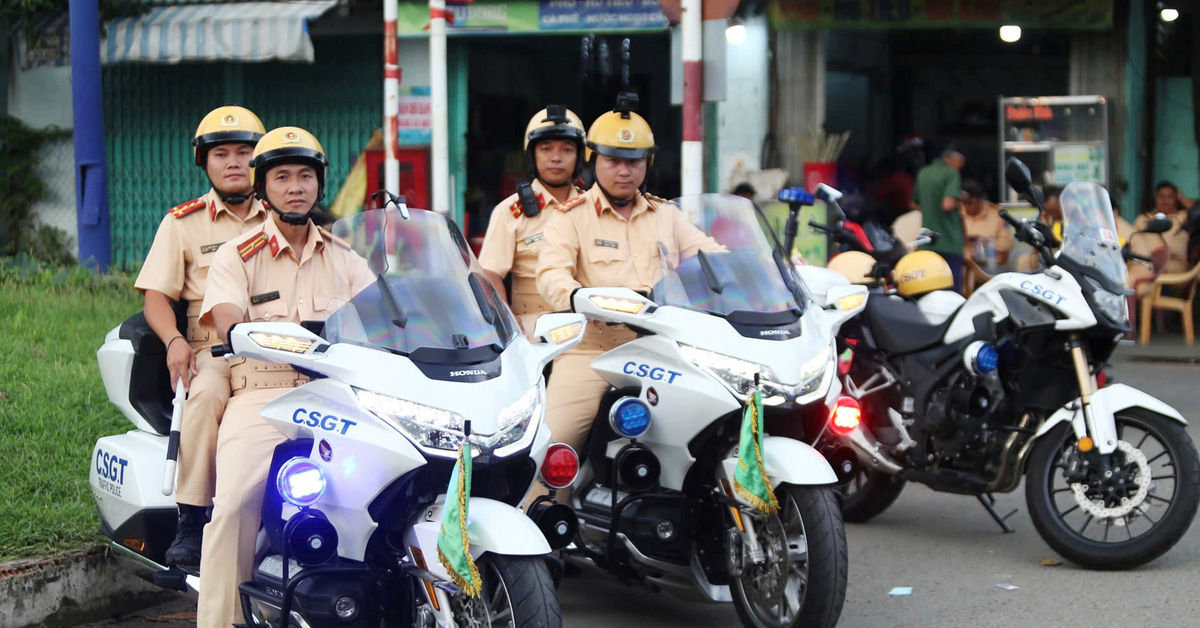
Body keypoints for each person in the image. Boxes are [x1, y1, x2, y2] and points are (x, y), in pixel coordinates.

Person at [195, 127, 374, 628]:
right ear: (262, 187)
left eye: (305, 176)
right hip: (264, 395)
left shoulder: (346, 257)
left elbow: (385, 317)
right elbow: (228, 316)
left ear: (319, 185)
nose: (295, 186)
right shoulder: (237, 255)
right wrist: (242, 329)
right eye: (281, 177)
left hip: (339, 395)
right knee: (232, 505)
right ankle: (220, 620)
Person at [533, 94, 721, 494]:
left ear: (647, 164)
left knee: (714, 429)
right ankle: (541, 534)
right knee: (552, 448)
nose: (624, 170)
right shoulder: (570, 217)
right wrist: (576, 297)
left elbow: (710, 257)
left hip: (665, 351)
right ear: (594, 161)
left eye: (633, 160)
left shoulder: (667, 214)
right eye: (613, 160)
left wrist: (748, 271)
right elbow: (550, 274)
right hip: (593, 353)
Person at [133, 105, 268, 567]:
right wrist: (173, 341)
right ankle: (192, 516)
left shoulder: (285, 217)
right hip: (209, 348)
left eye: (245, 153)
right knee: (205, 395)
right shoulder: (183, 224)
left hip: (279, 348)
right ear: (204, 163)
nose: (234, 162)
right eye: (221, 154)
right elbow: (156, 297)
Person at [479, 106, 586, 335]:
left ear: (579, 157)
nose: (556, 158)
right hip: (533, 332)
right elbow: (489, 275)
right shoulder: (509, 212)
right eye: (546, 149)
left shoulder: (593, 209)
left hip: (589, 328)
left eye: (567, 150)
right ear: (532, 155)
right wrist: (506, 319)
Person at [915, 147, 965, 292]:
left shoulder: (923, 173)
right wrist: (959, 200)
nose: (960, 167)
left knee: (930, 288)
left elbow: (914, 203)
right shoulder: (951, 173)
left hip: (927, 241)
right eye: (960, 163)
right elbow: (947, 204)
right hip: (949, 241)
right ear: (951, 159)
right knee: (952, 292)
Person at [960, 179, 1013, 269]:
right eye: (964, 203)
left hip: (987, 265)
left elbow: (1007, 244)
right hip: (961, 263)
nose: (966, 207)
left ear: (980, 200)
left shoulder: (996, 215)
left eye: (970, 203)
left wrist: (984, 242)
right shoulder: (958, 212)